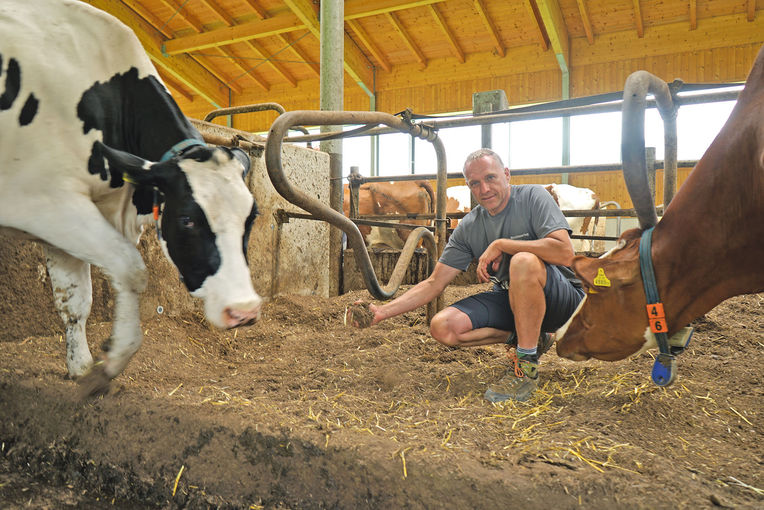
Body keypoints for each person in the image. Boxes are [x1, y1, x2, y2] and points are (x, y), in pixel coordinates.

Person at [352, 148, 585, 402]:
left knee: (523, 261)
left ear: (506, 175)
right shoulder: (470, 226)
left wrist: (503, 244)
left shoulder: (533, 198)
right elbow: (434, 283)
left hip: (563, 301)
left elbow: (564, 252)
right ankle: (532, 338)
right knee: (443, 327)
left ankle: (526, 370)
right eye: (475, 183)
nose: (484, 189)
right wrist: (382, 312)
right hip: (513, 300)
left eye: (490, 178)